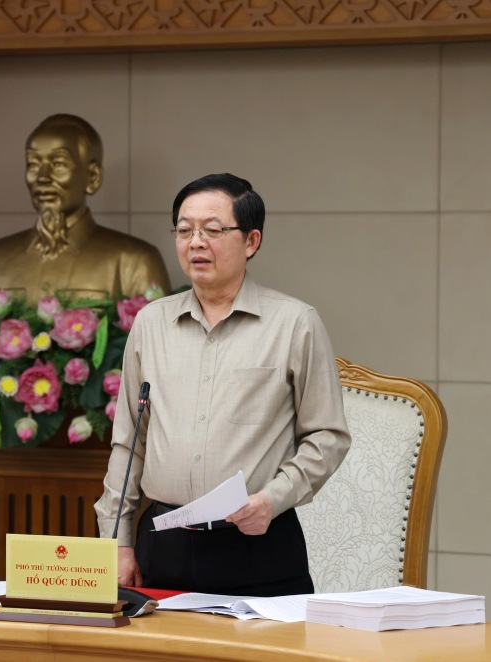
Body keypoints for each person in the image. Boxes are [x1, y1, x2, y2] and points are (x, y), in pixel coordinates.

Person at [94, 173, 351, 597]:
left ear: (251, 241)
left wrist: (272, 498)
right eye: (184, 230)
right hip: (164, 546)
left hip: (257, 543)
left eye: (212, 230)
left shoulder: (294, 324)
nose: (196, 242)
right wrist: (117, 541)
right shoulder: (151, 324)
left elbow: (328, 436)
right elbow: (128, 442)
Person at [0, 114, 170, 302]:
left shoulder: (135, 262)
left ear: (93, 178)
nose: (43, 178)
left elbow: (157, 341)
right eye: (34, 164)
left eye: (58, 164)